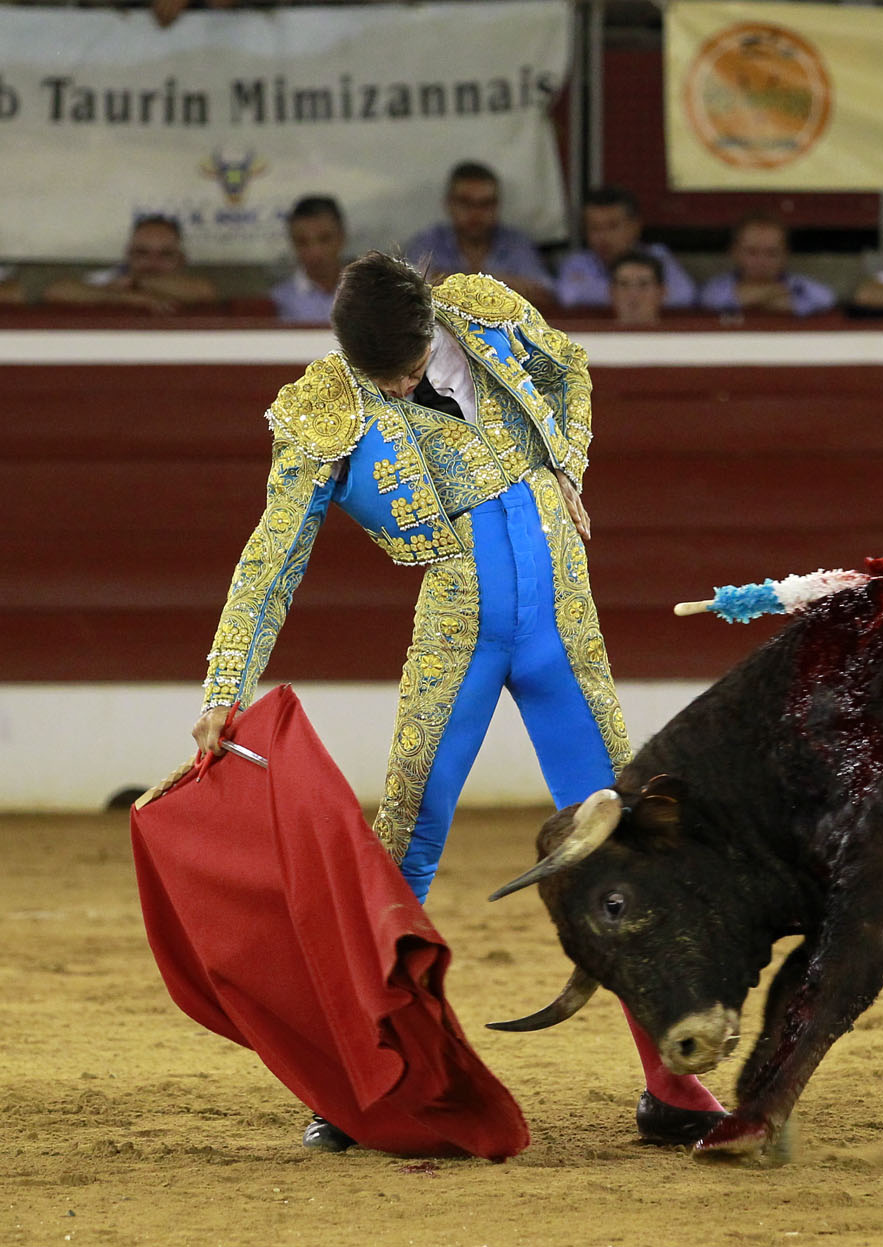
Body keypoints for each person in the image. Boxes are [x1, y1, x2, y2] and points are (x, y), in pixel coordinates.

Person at [189, 252, 724, 1152]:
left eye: (404, 368)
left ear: (429, 326)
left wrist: (566, 464)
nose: (396, 388)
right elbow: (271, 555)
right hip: (458, 632)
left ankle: (673, 1083)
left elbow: (570, 366)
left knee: (621, 833)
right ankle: (364, 1081)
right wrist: (222, 688)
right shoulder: (327, 403)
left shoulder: (481, 312)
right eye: (379, 377)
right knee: (406, 839)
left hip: (562, 620)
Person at [405, 162, 554, 308]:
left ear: (497, 206)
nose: (475, 213)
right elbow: (409, 289)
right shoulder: (428, 243)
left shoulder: (516, 243)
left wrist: (451, 281)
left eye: (485, 204)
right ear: (449, 204)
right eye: (466, 203)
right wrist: (500, 284)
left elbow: (544, 294)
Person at [555, 185, 696, 311]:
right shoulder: (579, 262)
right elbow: (570, 295)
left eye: (612, 226)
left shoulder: (657, 256)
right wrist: (644, 294)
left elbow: (683, 294)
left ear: (635, 226)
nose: (602, 236)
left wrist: (605, 292)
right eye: (594, 228)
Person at [42, 215, 220, 314]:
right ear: (128, 255)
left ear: (181, 259)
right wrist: (120, 297)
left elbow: (205, 292)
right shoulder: (112, 278)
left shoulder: (191, 284)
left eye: (165, 254)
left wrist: (136, 283)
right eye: (142, 253)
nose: (152, 262)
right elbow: (56, 291)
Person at [698, 213, 835, 318]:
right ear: (735, 253)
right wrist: (773, 294)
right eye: (752, 252)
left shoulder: (799, 285)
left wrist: (749, 299)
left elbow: (826, 298)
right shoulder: (717, 287)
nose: (761, 261)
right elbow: (710, 300)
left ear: (785, 255)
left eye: (772, 253)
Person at [269, 196, 346, 324]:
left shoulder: (365, 294)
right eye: (302, 242)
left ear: (341, 238)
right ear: (292, 243)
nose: (315, 252)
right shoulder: (278, 301)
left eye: (324, 239)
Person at [609, 250, 665, 326]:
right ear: (612, 292)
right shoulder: (594, 333)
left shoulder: (679, 333)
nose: (633, 294)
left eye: (643, 284)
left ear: (661, 292)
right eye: (624, 284)